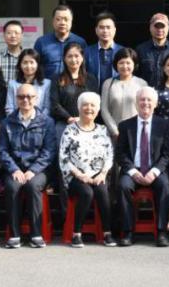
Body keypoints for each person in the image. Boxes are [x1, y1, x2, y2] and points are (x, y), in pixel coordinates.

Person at [0, 83, 57, 249]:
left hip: (39, 169)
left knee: (32, 186)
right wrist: (14, 169)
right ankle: (14, 234)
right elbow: (2, 151)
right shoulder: (7, 122)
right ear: (16, 99)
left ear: (36, 99)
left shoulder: (47, 122)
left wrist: (33, 170)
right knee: (12, 187)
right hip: (14, 169)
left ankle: (36, 234)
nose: (26, 100)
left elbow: (49, 151)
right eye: (21, 97)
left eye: (30, 97)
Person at [115, 88, 169, 247]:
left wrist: (154, 172)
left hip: (155, 170)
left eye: (149, 100)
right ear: (136, 103)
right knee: (123, 186)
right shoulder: (125, 125)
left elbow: (167, 153)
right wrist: (133, 171)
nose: (145, 103)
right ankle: (128, 232)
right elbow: (120, 153)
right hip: (133, 169)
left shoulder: (164, 125)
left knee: (165, 186)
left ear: (156, 104)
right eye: (142, 99)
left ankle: (161, 232)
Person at [59, 92, 117, 248]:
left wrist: (103, 173)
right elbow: (63, 158)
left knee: (102, 191)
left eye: (93, 105)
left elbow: (110, 155)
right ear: (79, 108)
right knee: (87, 193)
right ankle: (76, 234)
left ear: (97, 110)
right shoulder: (70, 130)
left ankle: (107, 233)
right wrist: (80, 175)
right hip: (75, 177)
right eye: (85, 105)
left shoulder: (102, 130)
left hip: (98, 175)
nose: (89, 108)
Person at [50, 42, 100, 143]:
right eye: (70, 56)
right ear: (64, 59)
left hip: (87, 123)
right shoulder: (57, 78)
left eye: (76, 56)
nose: (73, 60)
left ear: (82, 58)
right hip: (64, 123)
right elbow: (55, 104)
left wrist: (83, 119)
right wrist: (69, 118)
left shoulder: (91, 79)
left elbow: (96, 103)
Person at [100, 47, 148, 140]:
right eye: (121, 63)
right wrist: (114, 130)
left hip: (135, 132)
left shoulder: (142, 83)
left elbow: (145, 109)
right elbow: (104, 109)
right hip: (113, 134)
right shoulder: (108, 83)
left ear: (134, 64)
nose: (125, 66)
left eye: (128, 63)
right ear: (116, 64)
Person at [34, 4, 88, 81]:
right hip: (48, 84)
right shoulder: (41, 42)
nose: (62, 22)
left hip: (73, 84)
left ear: (71, 21)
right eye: (58, 19)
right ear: (53, 21)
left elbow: (85, 66)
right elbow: (35, 66)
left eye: (66, 19)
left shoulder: (80, 42)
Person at [135, 13, 169, 87]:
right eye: (156, 26)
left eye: (163, 26)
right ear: (150, 27)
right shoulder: (140, 50)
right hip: (146, 92)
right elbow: (135, 75)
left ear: (168, 28)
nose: (159, 30)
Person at [4, 48, 52, 118]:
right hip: (16, 121)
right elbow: (9, 108)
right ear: (20, 64)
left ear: (37, 64)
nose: (28, 66)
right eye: (25, 62)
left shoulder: (47, 84)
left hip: (40, 122)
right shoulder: (12, 84)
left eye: (32, 62)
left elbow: (47, 108)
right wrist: (19, 120)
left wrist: (36, 120)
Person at [86, 12, 125, 87]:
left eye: (108, 27)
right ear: (96, 30)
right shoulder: (87, 52)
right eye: (101, 27)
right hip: (93, 93)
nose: (105, 31)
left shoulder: (123, 51)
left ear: (114, 30)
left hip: (116, 92)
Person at [0, 20, 25, 86]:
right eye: (9, 33)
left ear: (22, 35)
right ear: (4, 35)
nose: (13, 36)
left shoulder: (28, 57)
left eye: (16, 33)